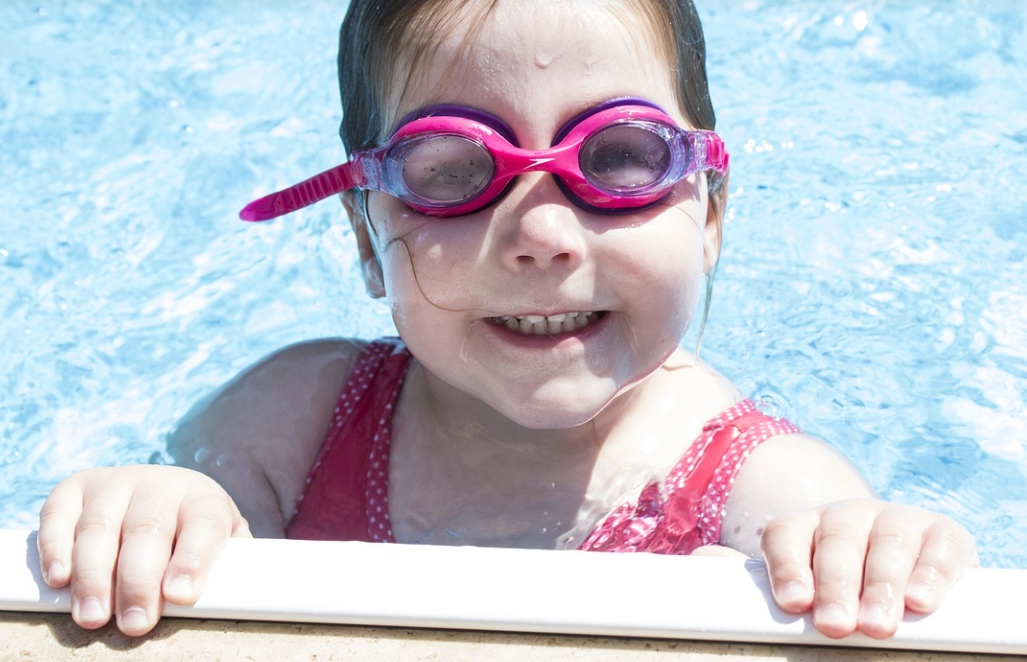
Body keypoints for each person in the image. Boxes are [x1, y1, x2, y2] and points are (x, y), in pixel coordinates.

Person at [37, 0, 977, 640]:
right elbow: (173, 520)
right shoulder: (293, 422)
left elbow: (859, 578)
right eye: (451, 171)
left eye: (620, 157)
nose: (540, 236)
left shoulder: (761, 490)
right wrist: (161, 510)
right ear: (366, 239)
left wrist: (867, 550)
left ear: (711, 218)